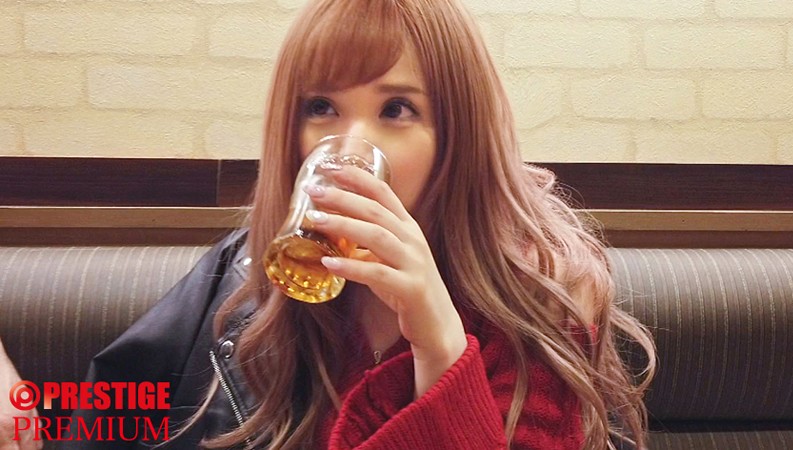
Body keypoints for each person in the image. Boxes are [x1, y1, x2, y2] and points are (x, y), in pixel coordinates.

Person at [41, 0, 654, 448]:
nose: (349, 147)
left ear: (457, 134)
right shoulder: (248, 269)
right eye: (322, 107)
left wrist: (440, 347)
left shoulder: (542, 292)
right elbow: (114, 406)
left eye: (397, 109)